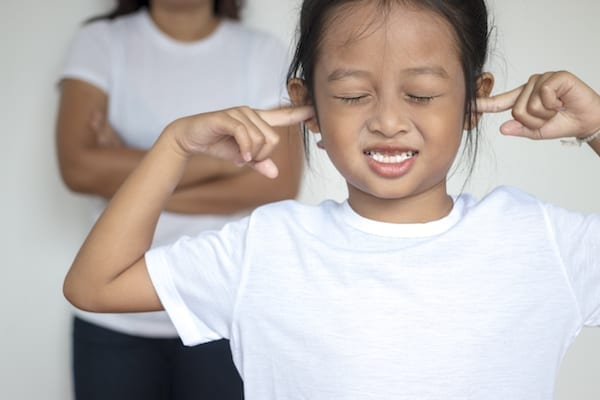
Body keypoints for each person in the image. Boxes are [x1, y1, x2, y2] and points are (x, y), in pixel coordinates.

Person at [63, 0, 600, 398]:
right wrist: (174, 145)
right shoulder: (268, 248)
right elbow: (94, 285)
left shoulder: (538, 241)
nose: (388, 121)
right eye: (351, 95)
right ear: (309, 106)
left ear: (473, 100)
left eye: (422, 94)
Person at [55, 0, 303, 399]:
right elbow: (79, 169)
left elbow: (275, 185)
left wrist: (138, 184)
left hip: (220, 313)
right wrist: (223, 161)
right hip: (112, 319)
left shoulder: (262, 51)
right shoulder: (100, 41)